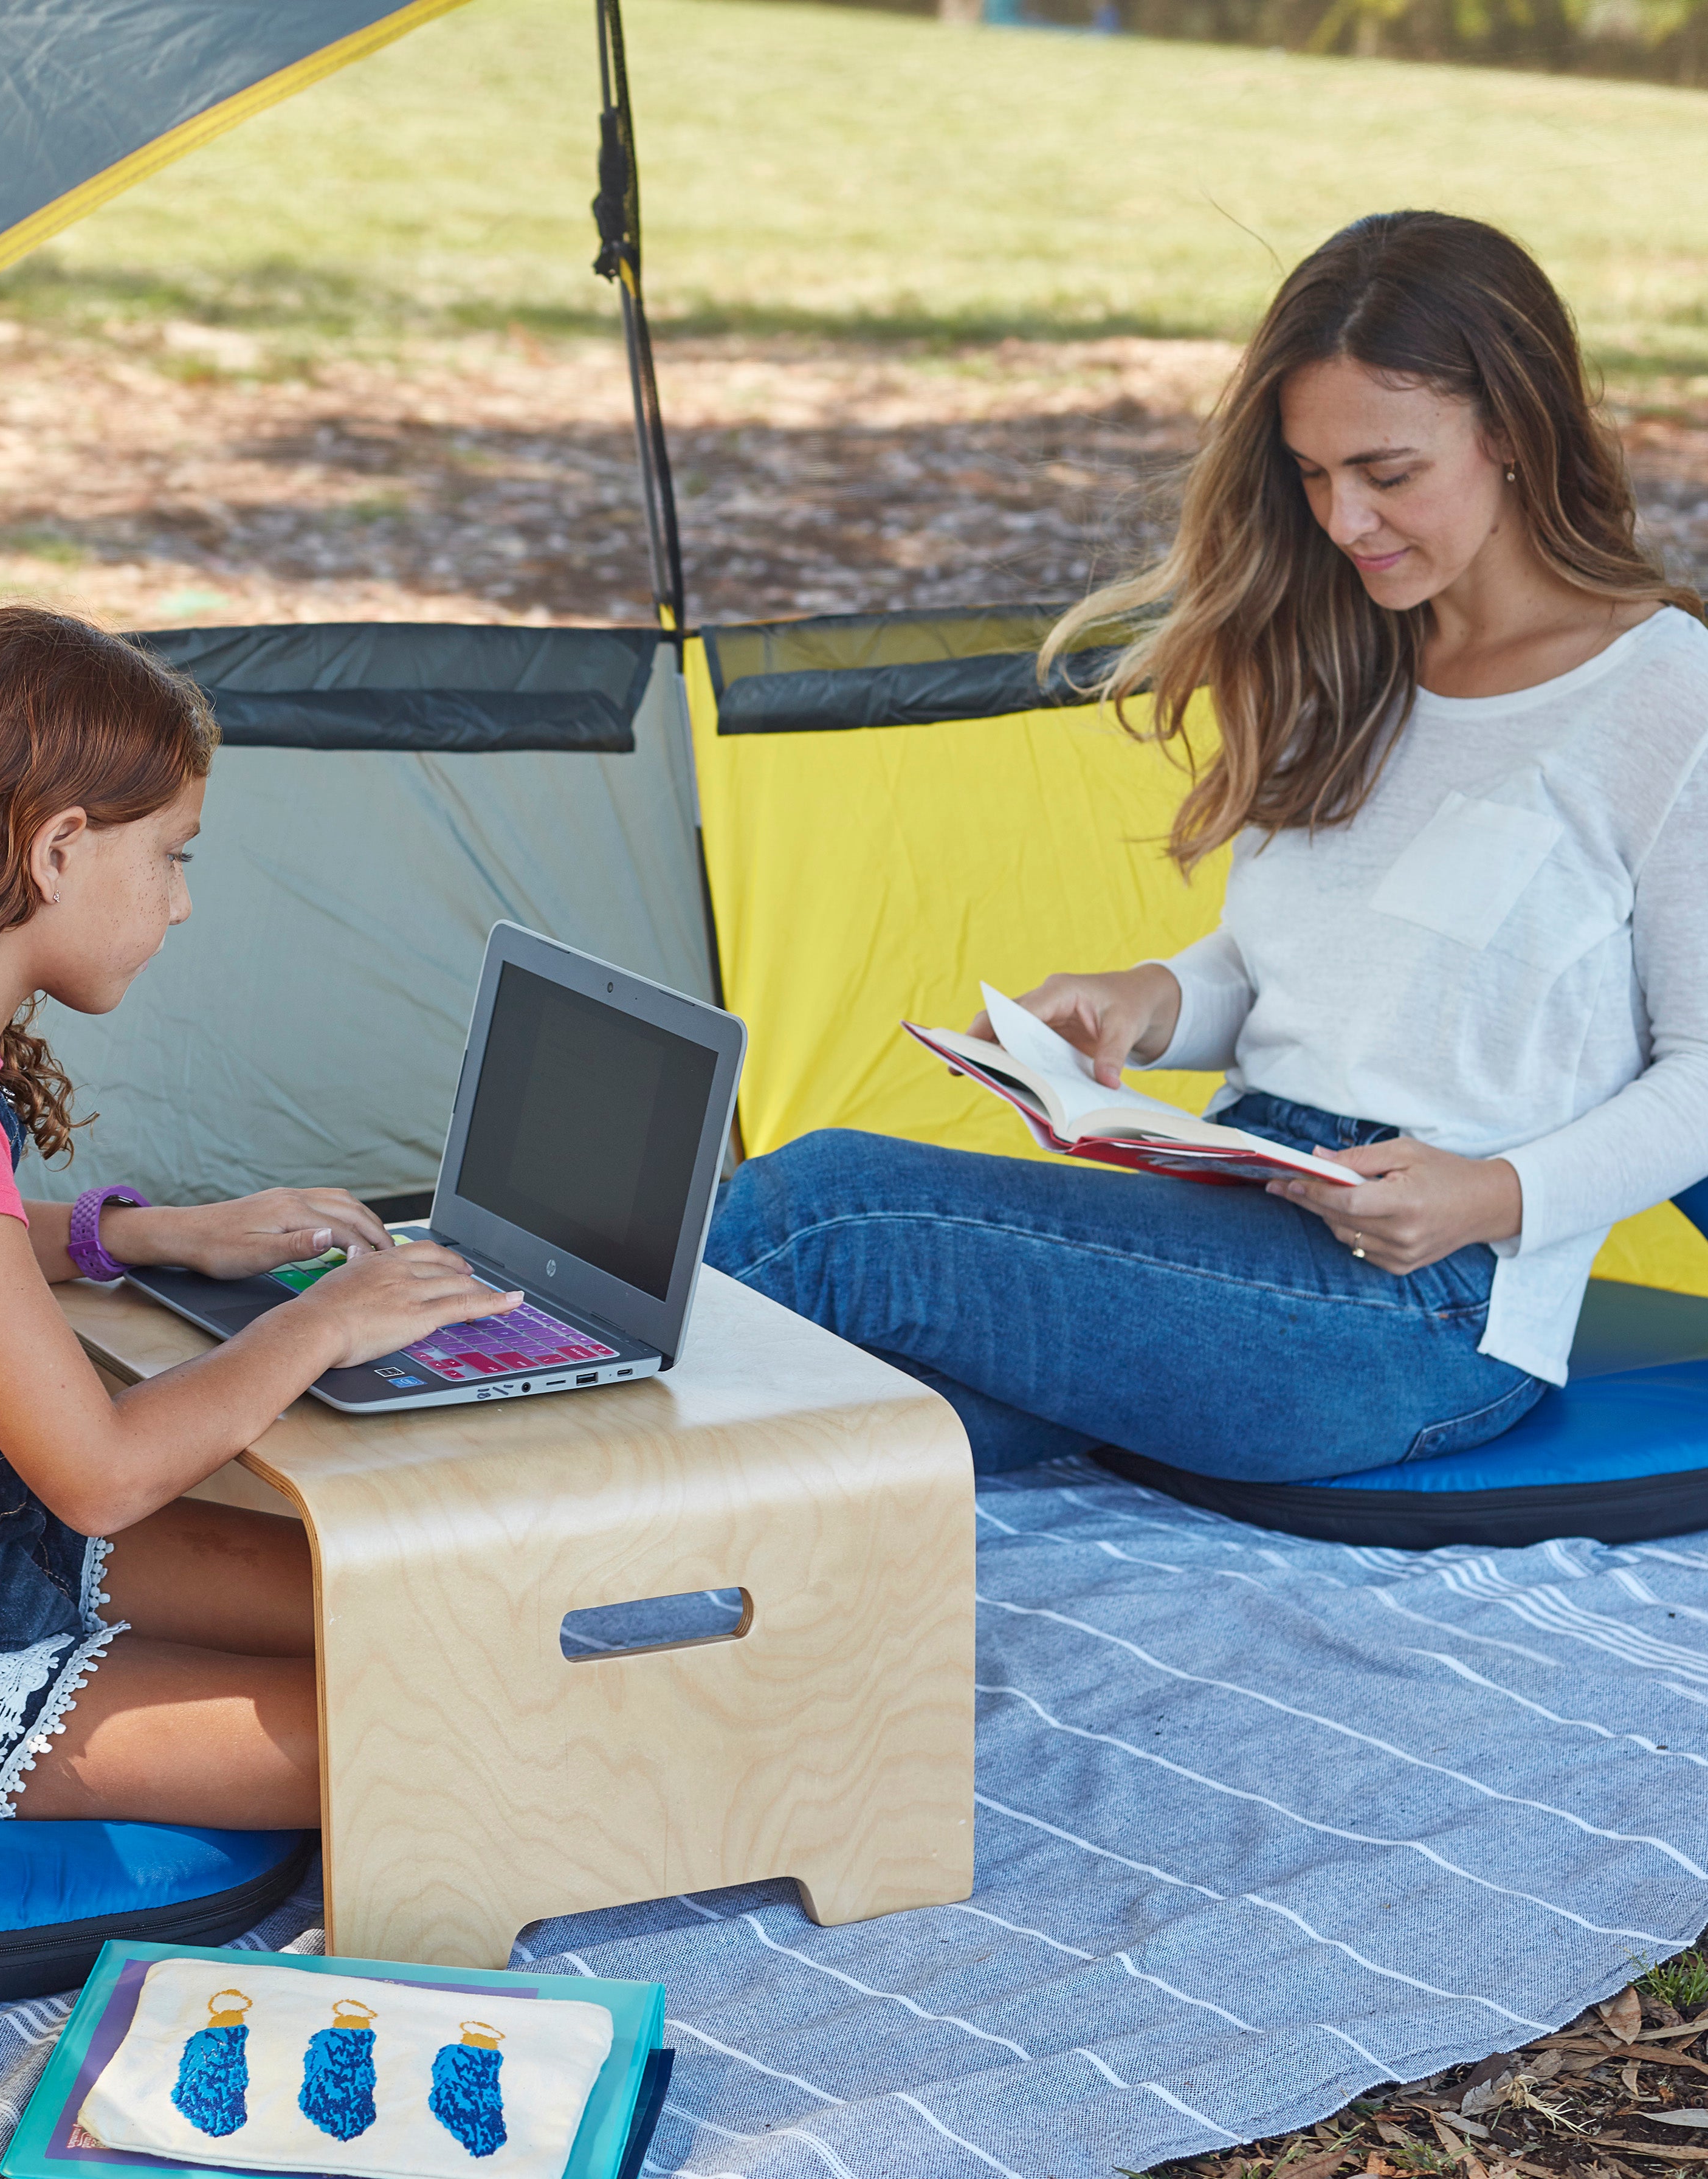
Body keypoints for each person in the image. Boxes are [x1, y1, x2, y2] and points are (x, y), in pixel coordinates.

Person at [706, 212, 1708, 1481]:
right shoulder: (1358, 652)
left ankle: (490, 1400)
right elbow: (1315, 962)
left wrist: (1485, 1194)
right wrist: (1154, 999)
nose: (1343, 519)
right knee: (842, 1407)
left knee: (825, 1215)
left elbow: (1702, 1070)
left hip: (1425, 1306)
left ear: (1509, 431)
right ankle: (477, 1539)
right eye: (1309, 473)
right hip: (1237, 1213)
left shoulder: (1662, 695)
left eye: (1386, 472)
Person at [0, 605, 521, 1830]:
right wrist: (325, 1321)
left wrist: (141, 1234)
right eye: (175, 854)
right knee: (431, 1723)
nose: (180, 905)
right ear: (58, 845)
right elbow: (102, 1477)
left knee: (411, 1598)